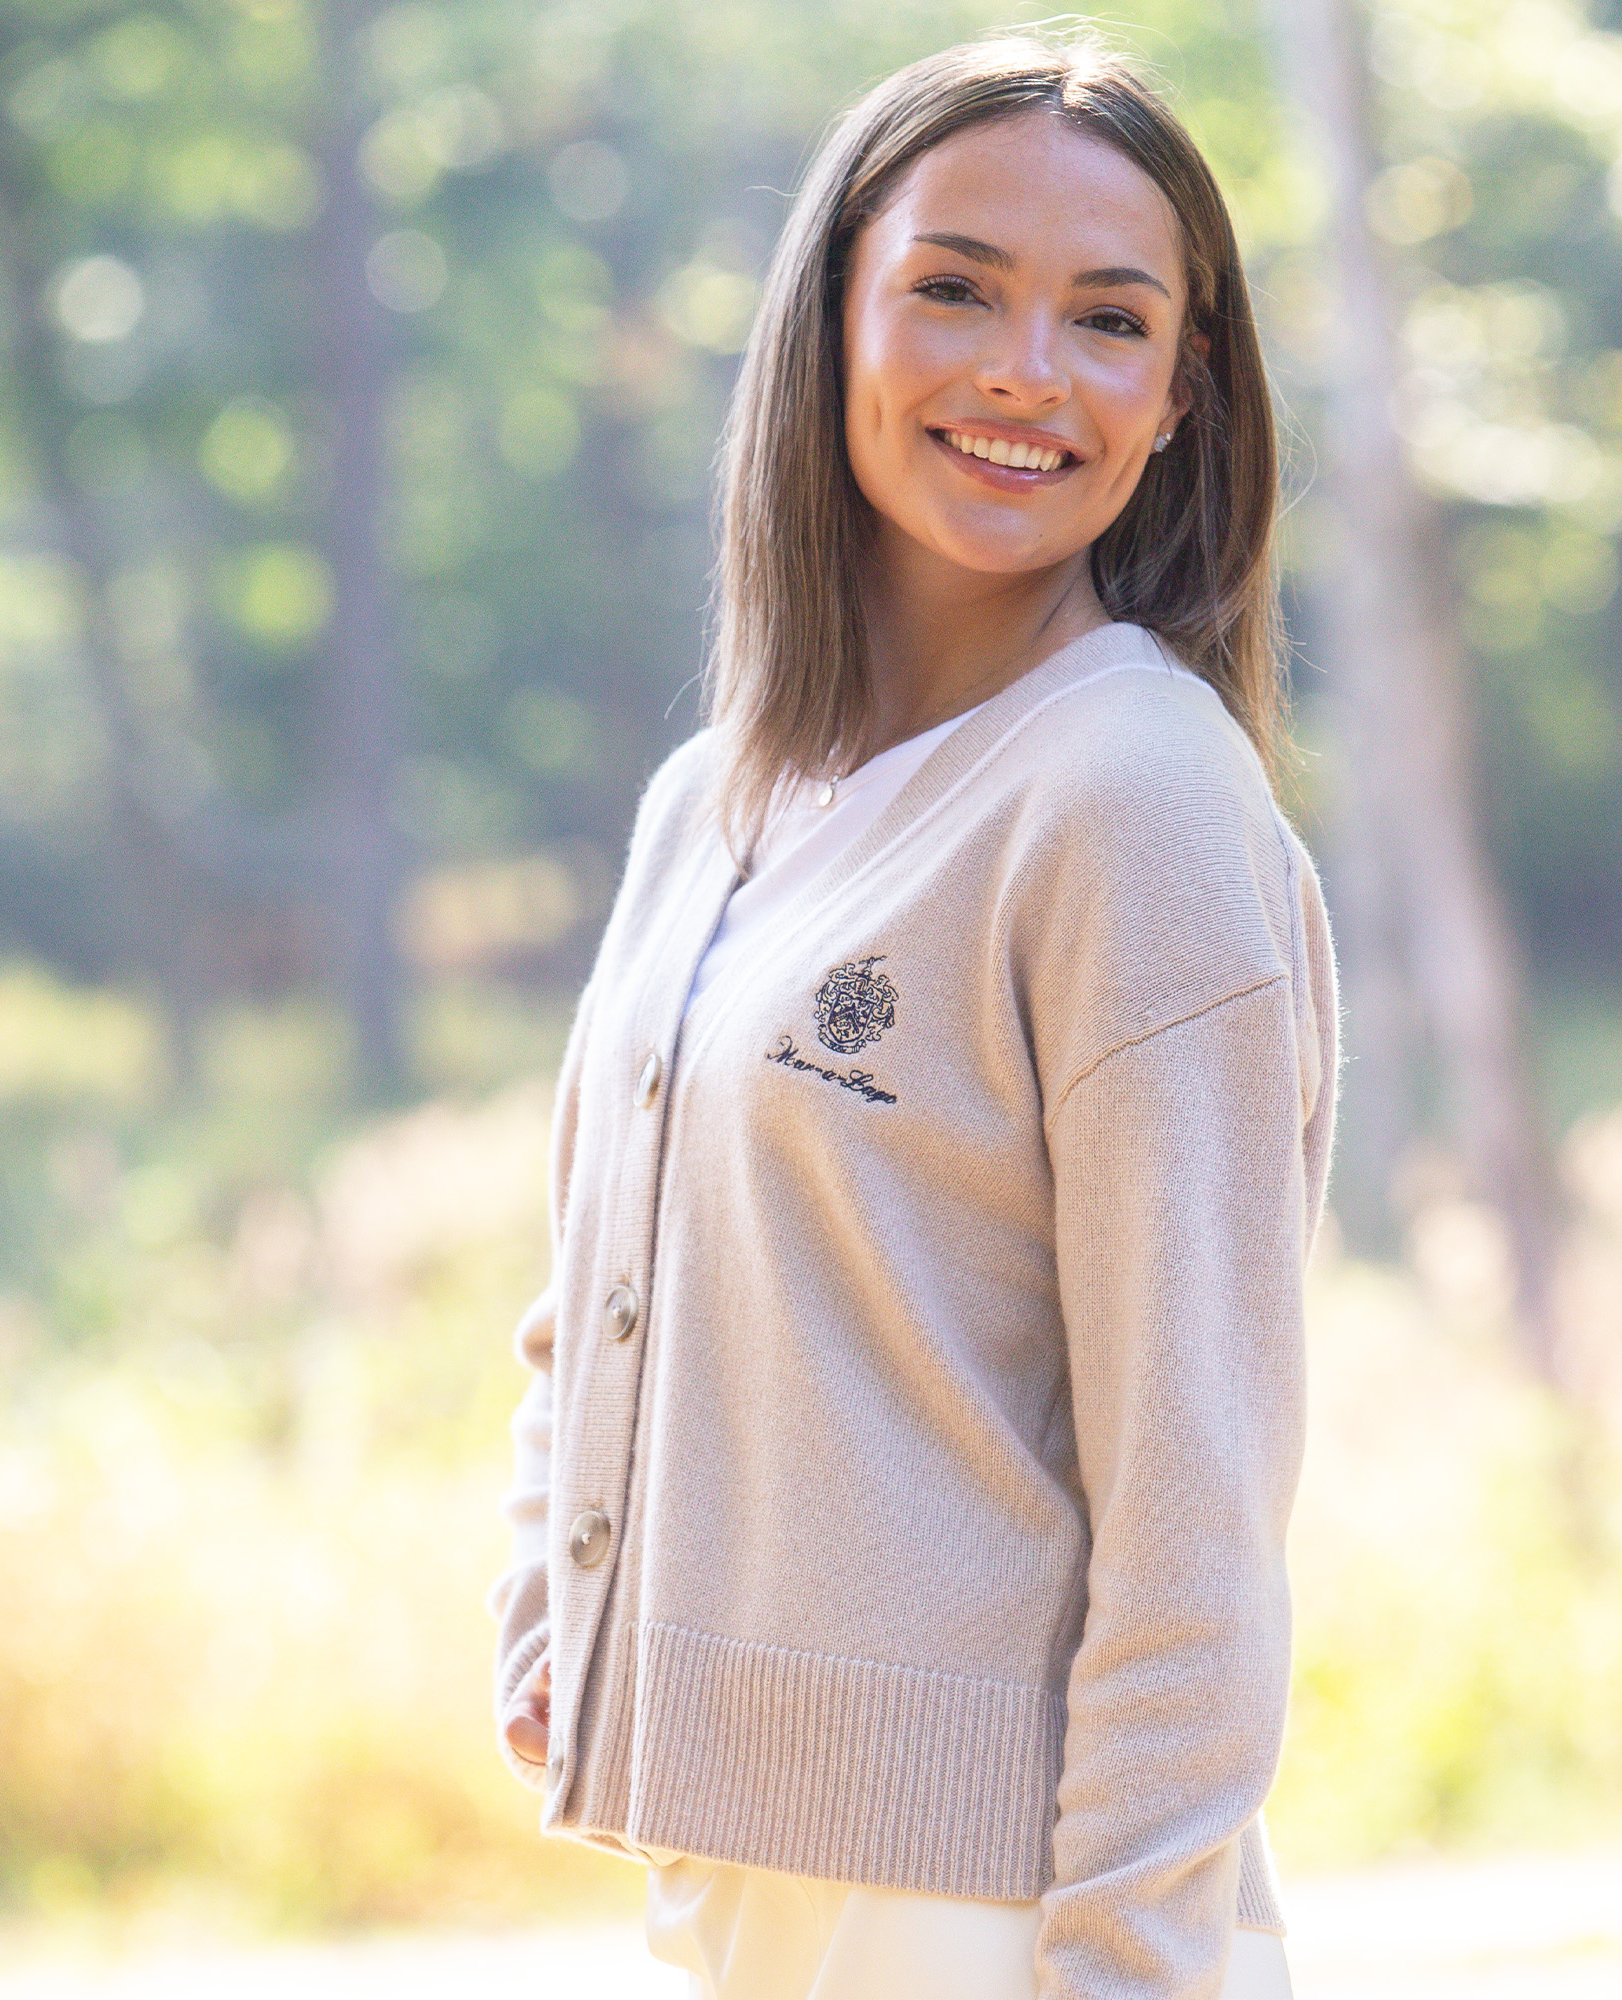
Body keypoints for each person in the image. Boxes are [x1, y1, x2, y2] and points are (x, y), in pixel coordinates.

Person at [488, 31, 1339, 2000]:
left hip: (990, 1913)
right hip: (732, 1875)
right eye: (955, 286)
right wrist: (559, 1596)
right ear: (832, 315)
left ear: (1176, 396)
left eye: (1106, 320)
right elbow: (590, 1280)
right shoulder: (713, 799)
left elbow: (1195, 1503)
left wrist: (1123, 1963)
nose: (1023, 372)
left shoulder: (1132, 794)